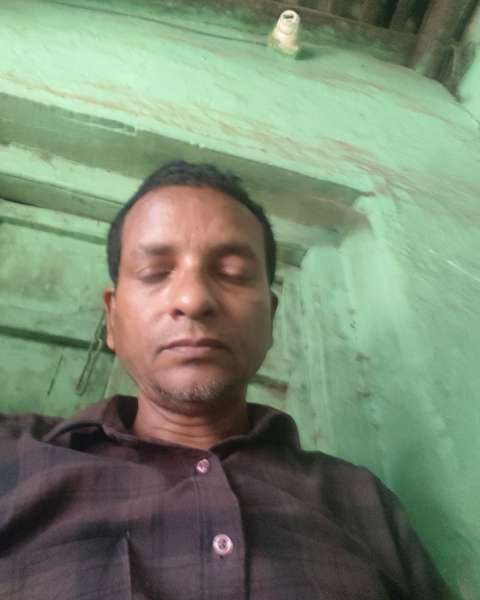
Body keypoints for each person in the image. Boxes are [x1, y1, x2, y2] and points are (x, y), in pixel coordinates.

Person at [0, 161, 449, 599]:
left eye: (232, 273)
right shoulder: (13, 459)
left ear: (270, 318)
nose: (193, 299)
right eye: (156, 273)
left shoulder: (360, 499)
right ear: (113, 318)